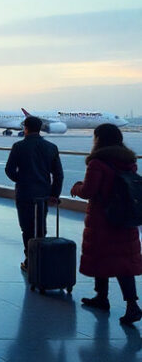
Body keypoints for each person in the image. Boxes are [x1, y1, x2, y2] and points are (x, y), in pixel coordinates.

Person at [70, 124, 142, 325]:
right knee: (123, 261)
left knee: (100, 256)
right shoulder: (128, 161)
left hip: (103, 219)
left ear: (99, 139)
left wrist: (77, 187)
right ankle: (126, 302)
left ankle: (111, 300)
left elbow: (89, 191)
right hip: (125, 216)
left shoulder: (97, 163)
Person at [5, 115, 64, 271]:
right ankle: (41, 258)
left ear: (25, 128)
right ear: (40, 129)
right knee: (41, 226)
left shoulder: (18, 146)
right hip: (43, 193)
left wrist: (21, 180)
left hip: (24, 193)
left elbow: (9, 170)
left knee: (27, 228)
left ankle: (30, 259)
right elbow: (58, 174)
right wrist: (54, 194)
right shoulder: (51, 147)